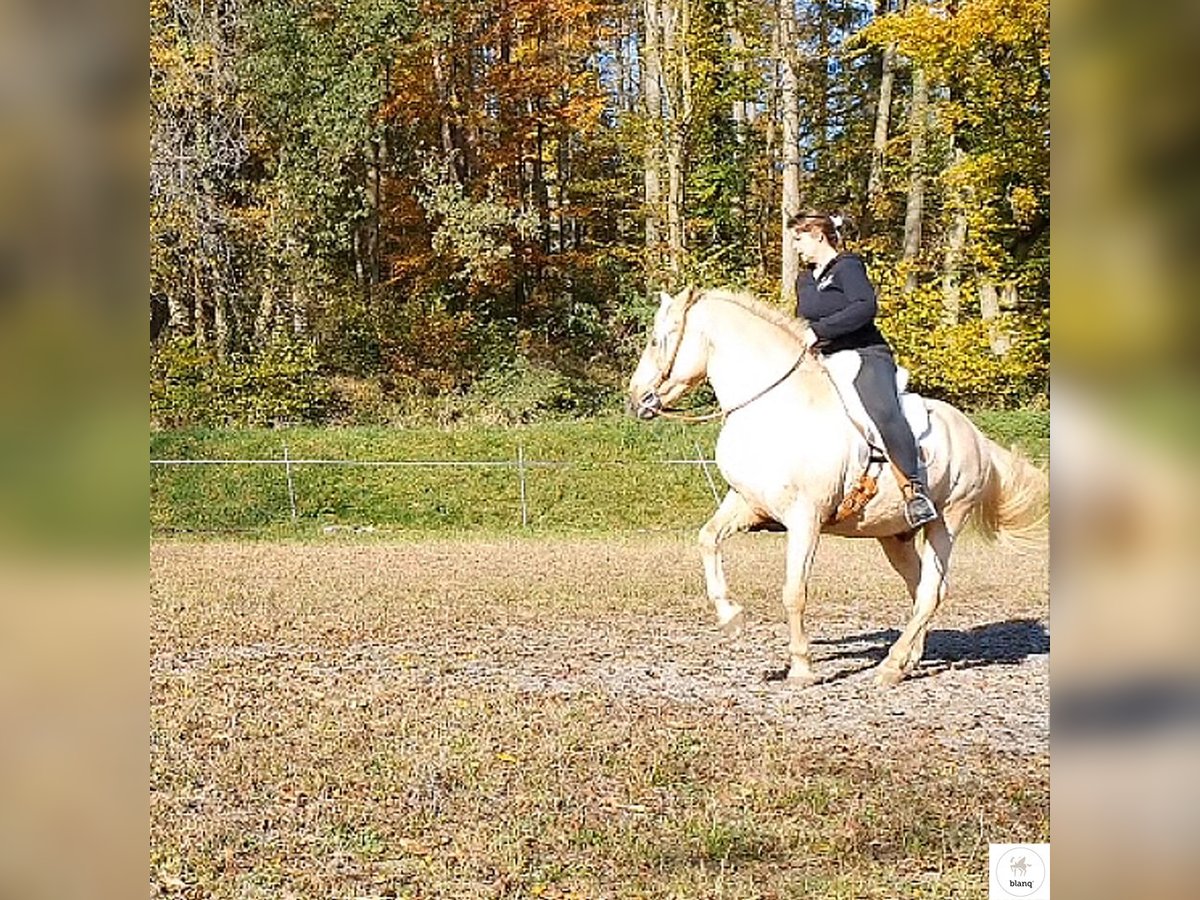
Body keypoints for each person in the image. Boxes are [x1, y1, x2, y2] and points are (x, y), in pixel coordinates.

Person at [787, 209, 938, 528]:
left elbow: (864, 307)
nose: (795, 247)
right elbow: (803, 320)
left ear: (818, 234)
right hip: (823, 359)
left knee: (881, 410)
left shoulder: (848, 267)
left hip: (865, 354)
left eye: (798, 239)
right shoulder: (804, 280)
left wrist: (820, 331)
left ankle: (914, 491)